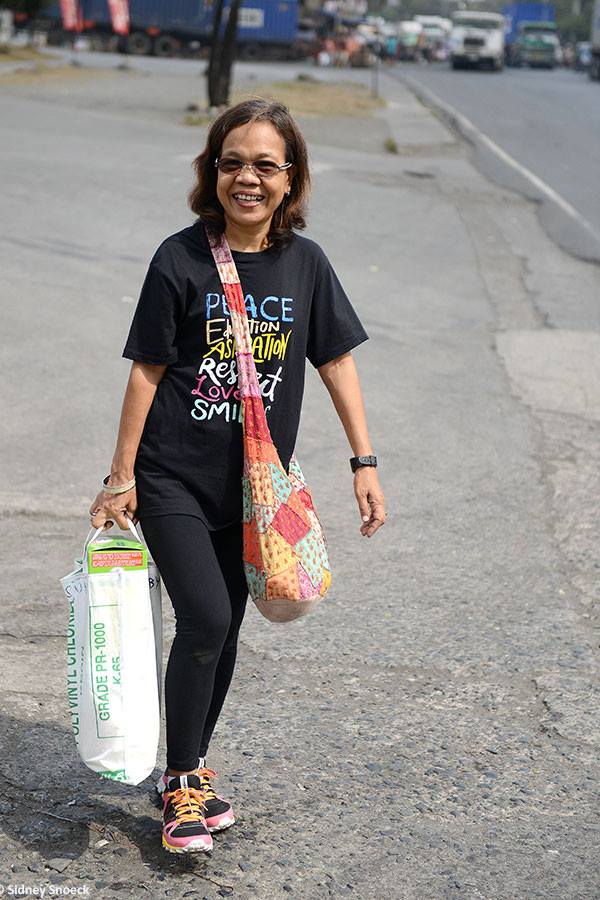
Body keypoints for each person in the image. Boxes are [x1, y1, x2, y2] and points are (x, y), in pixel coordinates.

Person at [89, 98, 386, 855]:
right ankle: (181, 785)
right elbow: (147, 370)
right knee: (206, 619)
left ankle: (189, 766)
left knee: (223, 633)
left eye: (264, 165)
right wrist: (121, 476)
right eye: (231, 163)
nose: (246, 178)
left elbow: (336, 360)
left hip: (256, 486)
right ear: (211, 173)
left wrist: (364, 460)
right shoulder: (179, 258)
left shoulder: (305, 265)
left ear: (290, 178)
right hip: (173, 477)